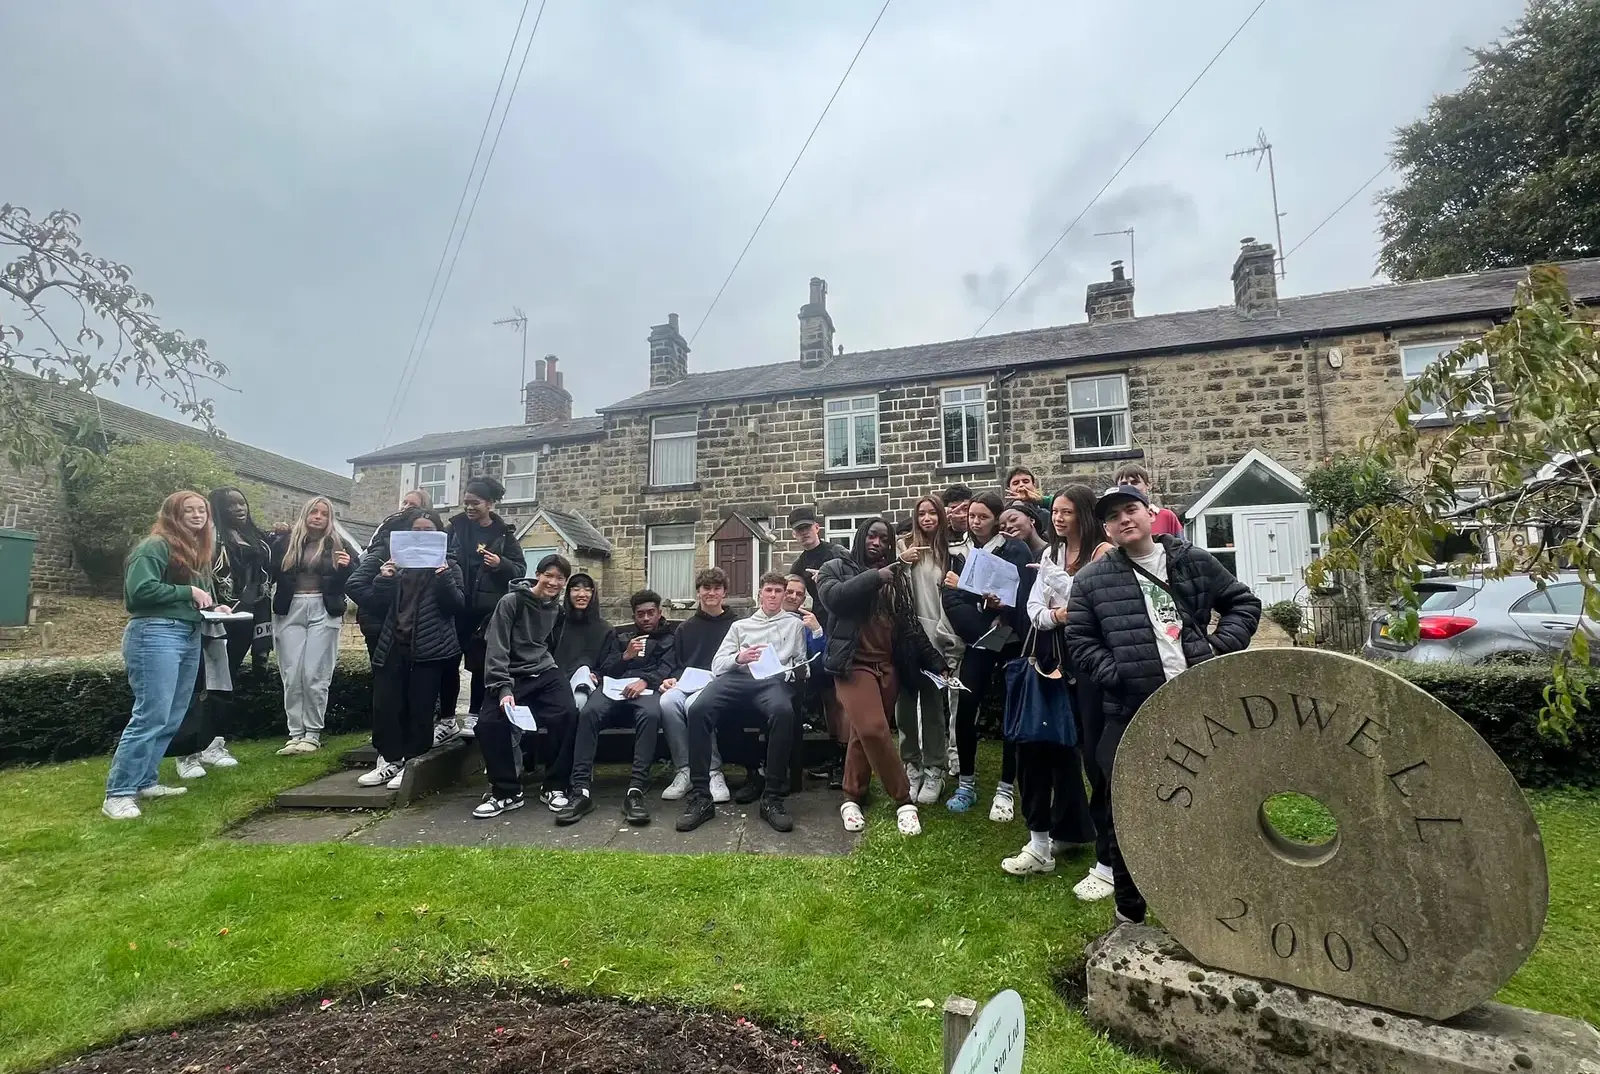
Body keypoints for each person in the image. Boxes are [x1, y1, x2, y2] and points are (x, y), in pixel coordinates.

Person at [1064, 484, 1262, 924]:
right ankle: (1130, 911)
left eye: (1130, 509)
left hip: (1195, 704)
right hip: (1130, 710)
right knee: (1124, 810)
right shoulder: (1092, 580)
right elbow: (1079, 639)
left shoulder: (1191, 561)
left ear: (1149, 514)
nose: (1124, 520)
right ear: (1107, 528)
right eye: (1113, 517)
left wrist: (1216, 648)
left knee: (1207, 802)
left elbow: (1243, 603)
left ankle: (1216, 907)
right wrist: (1116, 674)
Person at [817, 517, 952, 836]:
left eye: (884, 539)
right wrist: (876, 577)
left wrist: (936, 661)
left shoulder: (896, 578)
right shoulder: (834, 567)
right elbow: (835, 599)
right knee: (875, 729)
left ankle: (852, 796)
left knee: (861, 736)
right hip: (853, 665)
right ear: (860, 537)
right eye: (871, 536)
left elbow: (909, 626)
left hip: (888, 667)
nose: (877, 543)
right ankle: (904, 799)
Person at [1009, 484, 1113, 880]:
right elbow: (1035, 610)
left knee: (1093, 756)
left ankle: (1107, 861)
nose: (1058, 518)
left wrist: (1060, 593)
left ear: (1084, 515)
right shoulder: (1050, 553)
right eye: (1056, 511)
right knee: (1038, 747)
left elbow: (1092, 603)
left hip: (1089, 664)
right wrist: (1058, 613)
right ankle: (1040, 843)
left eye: (1067, 512)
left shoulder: (1104, 554)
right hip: (1050, 658)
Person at [102, 491, 220, 819]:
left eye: (202, 510)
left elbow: (188, 598)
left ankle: (145, 781)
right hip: (154, 633)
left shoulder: (195, 551)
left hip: (187, 633)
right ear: (173, 514)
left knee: (171, 715)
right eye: (189, 510)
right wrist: (188, 591)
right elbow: (138, 592)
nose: (198, 516)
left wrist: (211, 605)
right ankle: (118, 793)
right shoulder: (155, 546)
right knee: (150, 715)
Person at [675, 572, 809, 834]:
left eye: (778, 591)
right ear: (760, 593)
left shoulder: (795, 626)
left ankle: (772, 797)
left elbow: (800, 661)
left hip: (771, 681)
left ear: (784, 595)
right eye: (768, 590)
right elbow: (717, 665)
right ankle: (702, 796)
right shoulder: (741, 626)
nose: (773, 595)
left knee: (783, 711)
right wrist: (740, 657)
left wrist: (792, 670)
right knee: (699, 708)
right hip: (737, 678)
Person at [347, 508, 465, 789]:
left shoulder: (450, 565)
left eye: (428, 531)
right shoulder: (394, 563)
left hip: (430, 647)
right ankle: (389, 760)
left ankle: (412, 762)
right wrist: (385, 578)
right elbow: (374, 602)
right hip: (393, 644)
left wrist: (444, 577)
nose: (421, 535)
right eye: (416, 530)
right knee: (385, 705)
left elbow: (457, 605)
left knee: (420, 708)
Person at [944, 491, 1032, 819]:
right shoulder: (960, 551)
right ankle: (965, 783)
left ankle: (1006, 788)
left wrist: (1003, 607)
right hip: (979, 640)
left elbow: (1023, 592)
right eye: (972, 517)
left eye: (982, 516)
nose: (976, 522)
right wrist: (981, 617)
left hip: (1010, 639)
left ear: (996, 518)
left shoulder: (1015, 548)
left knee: (1012, 710)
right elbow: (952, 598)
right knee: (966, 705)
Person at [473, 554, 582, 818]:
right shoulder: (511, 602)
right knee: (488, 723)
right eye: (549, 575)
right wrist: (503, 689)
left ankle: (555, 786)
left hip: (543, 671)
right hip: (510, 674)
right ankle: (506, 792)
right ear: (538, 574)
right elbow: (497, 648)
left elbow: (547, 646)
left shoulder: (556, 609)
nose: (553, 582)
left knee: (567, 712)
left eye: (560, 578)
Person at [171, 486, 271, 775]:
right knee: (196, 683)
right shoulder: (205, 540)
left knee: (224, 683)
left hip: (242, 618)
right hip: (209, 617)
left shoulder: (255, 536)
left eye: (243, 502)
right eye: (231, 505)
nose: (240, 509)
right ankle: (186, 752)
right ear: (218, 509)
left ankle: (213, 743)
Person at [556, 589, 677, 827]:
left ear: (659, 613)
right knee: (589, 712)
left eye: (650, 613)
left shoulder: (669, 637)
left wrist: (645, 681)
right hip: (613, 688)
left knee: (651, 714)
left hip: (646, 690)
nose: (645, 619)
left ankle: (636, 791)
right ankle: (580, 790)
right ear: (634, 615)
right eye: (640, 614)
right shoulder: (620, 636)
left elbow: (668, 667)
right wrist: (626, 656)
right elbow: (606, 669)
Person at [267, 496, 357, 755]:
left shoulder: (339, 543)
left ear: (330, 519)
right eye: (314, 512)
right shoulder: (285, 543)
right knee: (292, 673)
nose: (318, 517)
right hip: (290, 608)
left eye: (324, 513)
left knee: (314, 673)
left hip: (324, 608)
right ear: (305, 514)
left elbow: (357, 577)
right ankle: (295, 733)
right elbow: (267, 569)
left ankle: (313, 733)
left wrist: (347, 567)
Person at [444, 477, 527, 736]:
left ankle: (474, 715)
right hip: (456, 605)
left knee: (480, 665)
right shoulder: (455, 529)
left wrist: (501, 564)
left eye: (475, 503)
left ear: (489, 504)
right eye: (466, 502)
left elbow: (520, 570)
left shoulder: (504, 534)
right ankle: (446, 719)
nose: (469, 508)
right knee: (447, 662)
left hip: (486, 611)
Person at [896, 496, 964, 807]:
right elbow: (887, 583)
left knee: (934, 707)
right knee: (906, 707)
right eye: (921, 513)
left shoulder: (950, 552)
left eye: (932, 513)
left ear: (941, 516)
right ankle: (912, 766)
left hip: (938, 634)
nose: (927, 518)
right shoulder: (902, 546)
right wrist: (901, 561)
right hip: (907, 636)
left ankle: (935, 767)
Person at [658, 568, 737, 803]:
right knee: (668, 701)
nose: (711, 593)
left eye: (716, 588)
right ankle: (685, 770)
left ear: (724, 593)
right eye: (706, 588)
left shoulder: (736, 625)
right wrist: (671, 679)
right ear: (698, 592)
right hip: (689, 683)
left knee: (696, 705)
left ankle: (712, 771)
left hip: (722, 686)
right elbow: (678, 664)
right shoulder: (685, 628)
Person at [786, 505, 850, 785]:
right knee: (827, 698)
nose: (804, 533)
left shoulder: (837, 553)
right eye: (798, 530)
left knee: (840, 699)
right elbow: (793, 594)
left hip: (844, 629)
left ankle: (846, 760)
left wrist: (825, 578)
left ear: (817, 528)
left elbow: (855, 582)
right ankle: (834, 754)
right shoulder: (798, 565)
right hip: (818, 629)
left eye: (807, 528)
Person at [358, 489, 433, 662]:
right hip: (382, 624)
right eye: (404, 503)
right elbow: (356, 582)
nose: (405, 507)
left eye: (412, 504)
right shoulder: (385, 537)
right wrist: (380, 605)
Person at [553, 572, 610, 708]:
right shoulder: (557, 624)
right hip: (556, 681)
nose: (582, 594)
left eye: (587, 590)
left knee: (581, 695)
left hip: (590, 684)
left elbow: (609, 662)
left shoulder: (605, 629)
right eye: (576, 589)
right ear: (568, 593)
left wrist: (597, 675)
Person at [1113, 462, 1183, 537]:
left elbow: (1181, 546)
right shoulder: (1114, 522)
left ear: (1148, 486)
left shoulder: (1166, 516)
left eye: (1135, 482)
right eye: (1124, 484)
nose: (1129, 487)